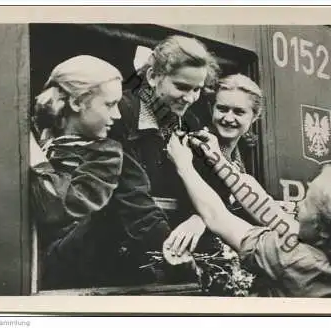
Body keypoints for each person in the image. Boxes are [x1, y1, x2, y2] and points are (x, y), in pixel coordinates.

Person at [165, 131, 331, 297]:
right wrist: (217, 159)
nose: (298, 205)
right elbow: (269, 210)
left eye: (306, 203)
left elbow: (216, 215)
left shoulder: (290, 259)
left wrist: (183, 164)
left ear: (320, 226)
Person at [29, 55, 170, 289]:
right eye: (109, 104)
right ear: (76, 103)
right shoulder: (42, 139)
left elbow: (58, 207)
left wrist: (32, 155)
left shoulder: (107, 155)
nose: (116, 115)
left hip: (73, 277)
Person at [108, 35, 220, 235]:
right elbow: (130, 199)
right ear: (152, 76)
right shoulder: (118, 115)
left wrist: (198, 217)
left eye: (197, 89)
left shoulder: (190, 123)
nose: (190, 98)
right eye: (182, 87)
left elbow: (204, 186)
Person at [164, 74, 264, 256]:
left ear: (255, 117)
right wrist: (198, 216)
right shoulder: (193, 147)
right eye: (222, 109)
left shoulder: (246, 154)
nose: (228, 118)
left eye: (239, 112)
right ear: (212, 108)